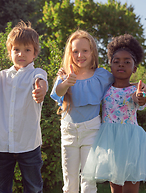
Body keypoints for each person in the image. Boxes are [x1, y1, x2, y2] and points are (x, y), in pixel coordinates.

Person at [82, 34, 146, 193]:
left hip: (130, 143)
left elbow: (139, 100)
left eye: (127, 62)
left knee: (130, 186)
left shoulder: (135, 90)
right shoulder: (105, 88)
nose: (121, 65)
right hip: (110, 143)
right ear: (110, 65)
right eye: (116, 62)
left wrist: (140, 96)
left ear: (134, 68)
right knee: (115, 188)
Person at [50, 30, 114, 193]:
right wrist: (66, 83)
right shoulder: (65, 74)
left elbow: (121, 83)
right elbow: (57, 93)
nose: (80, 55)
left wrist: (137, 87)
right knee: (70, 180)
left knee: (89, 179)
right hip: (69, 131)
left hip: (91, 130)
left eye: (85, 50)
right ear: (70, 53)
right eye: (75, 51)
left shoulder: (101, 76)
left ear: (93, 52)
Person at [0, 21, 48, 193]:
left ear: (34, 53)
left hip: (29, 145)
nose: (21, 54)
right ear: (10, 53)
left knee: (33, 188)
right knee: (1, 189)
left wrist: (41, 89)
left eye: (27, 50)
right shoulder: (1, 76)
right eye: (16, 49)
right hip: (2, 145)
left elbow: (41, 81)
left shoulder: (36, 73)